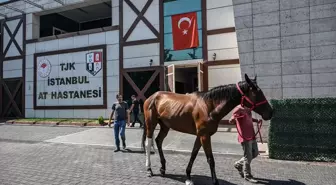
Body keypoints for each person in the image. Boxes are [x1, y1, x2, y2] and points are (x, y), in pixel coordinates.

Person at [229, 105, 262, 183]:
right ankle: (247, 176)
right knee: (248, 156)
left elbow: (248, 119)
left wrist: (255, 120)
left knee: (255, 153)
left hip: (252, 134)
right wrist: (233, 119)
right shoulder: (238, 109)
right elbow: (231, 119)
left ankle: (238, 164)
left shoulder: (248, 108)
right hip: (245, 137)